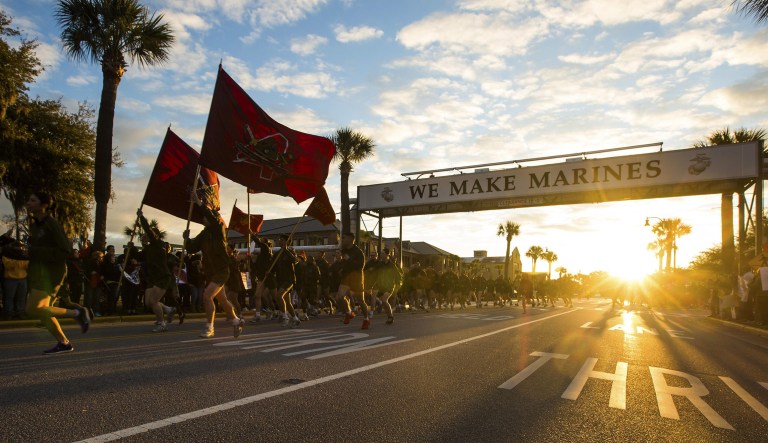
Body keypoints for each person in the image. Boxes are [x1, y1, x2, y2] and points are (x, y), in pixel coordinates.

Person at [24, 192, 90, 354]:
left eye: (33, 200)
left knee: (33, 309)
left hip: (52, 272)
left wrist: (34, 251)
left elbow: (65, 250)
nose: (28, 203)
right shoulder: (35, 225)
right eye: (29, 200)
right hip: (39, 271)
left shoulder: (51, 224)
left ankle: (77, 312)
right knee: (44, 313)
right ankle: (64, 343)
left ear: (44, 205)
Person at [183, 193, 244, 338]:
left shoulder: (218, 228)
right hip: (210, 272)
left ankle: (209, 327)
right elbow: (192, 249)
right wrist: (187, 239)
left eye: (206, 216)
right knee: (222, 300)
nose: (203, 218)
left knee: (207, 296)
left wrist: (199, 202)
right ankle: (236, 321)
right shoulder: (203, 234)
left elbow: (210, 216)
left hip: (221, 270)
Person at [338, 232, 368, 329]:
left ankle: (366, 319)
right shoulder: (344, 250)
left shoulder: (359, 252)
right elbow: (344, 262)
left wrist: (349, 259)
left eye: (344, 238)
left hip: (356, 278)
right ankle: (349, 312)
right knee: (340, 296)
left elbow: (360, 266)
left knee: (361, 301)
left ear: (350, 239)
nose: (342, 239)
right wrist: (342, 269)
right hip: (346, 277)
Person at [274, 234, 301, 328]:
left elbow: (296, 261)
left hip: (289, 280)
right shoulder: (277, 254)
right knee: (287, 302)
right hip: (280, 280)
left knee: (279, 296)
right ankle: (295, 319)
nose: (280, 241)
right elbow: (273, 266)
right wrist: (268, 272)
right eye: (279, 240)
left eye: (282, 240)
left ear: (287, 242)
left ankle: (285, 317)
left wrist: (291, 252)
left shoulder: (289, 253)